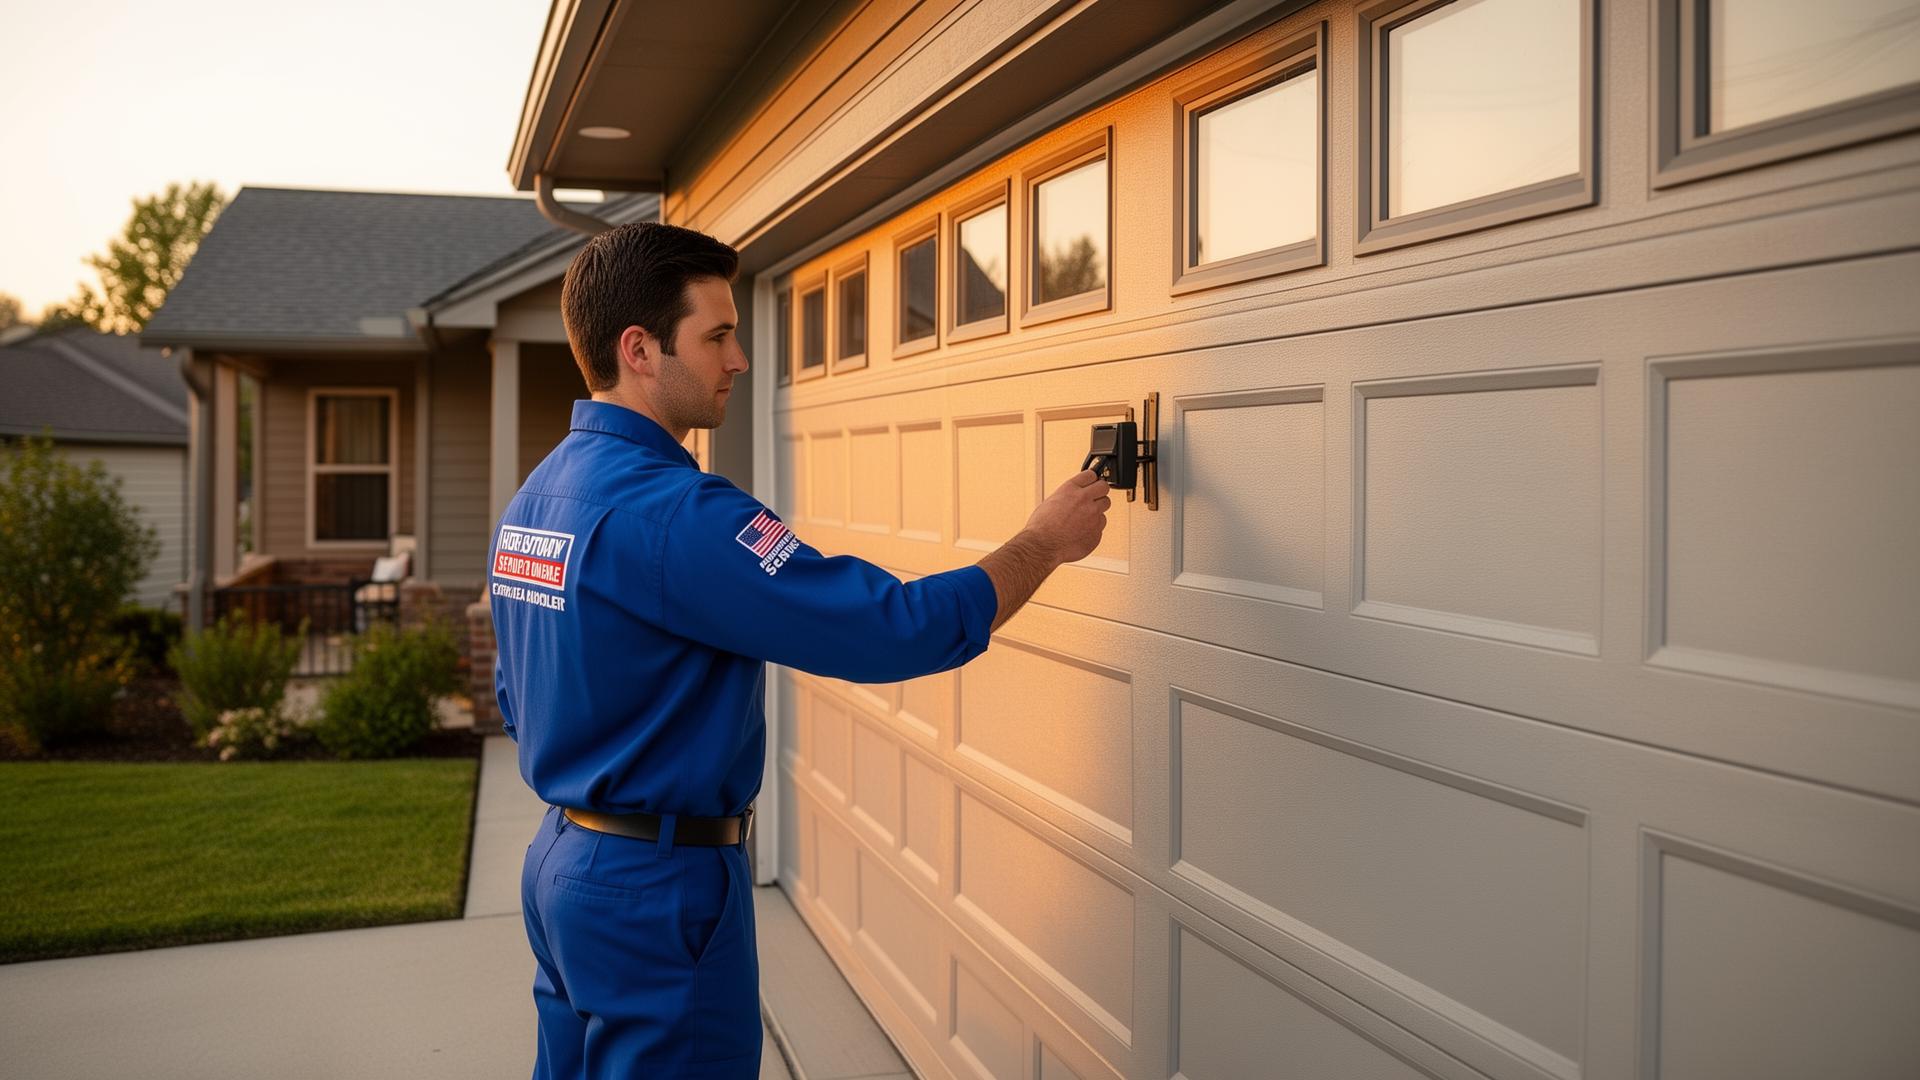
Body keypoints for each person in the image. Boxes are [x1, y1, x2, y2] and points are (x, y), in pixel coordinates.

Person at [490, 221, 1110, 1079]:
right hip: (654, 892)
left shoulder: (537, 496)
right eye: (717, 335)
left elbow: (515, 696)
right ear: (639, 350)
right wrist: (1042, 542)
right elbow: (891, 626)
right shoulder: (681, 516)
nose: (738, 357)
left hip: (562, 868)